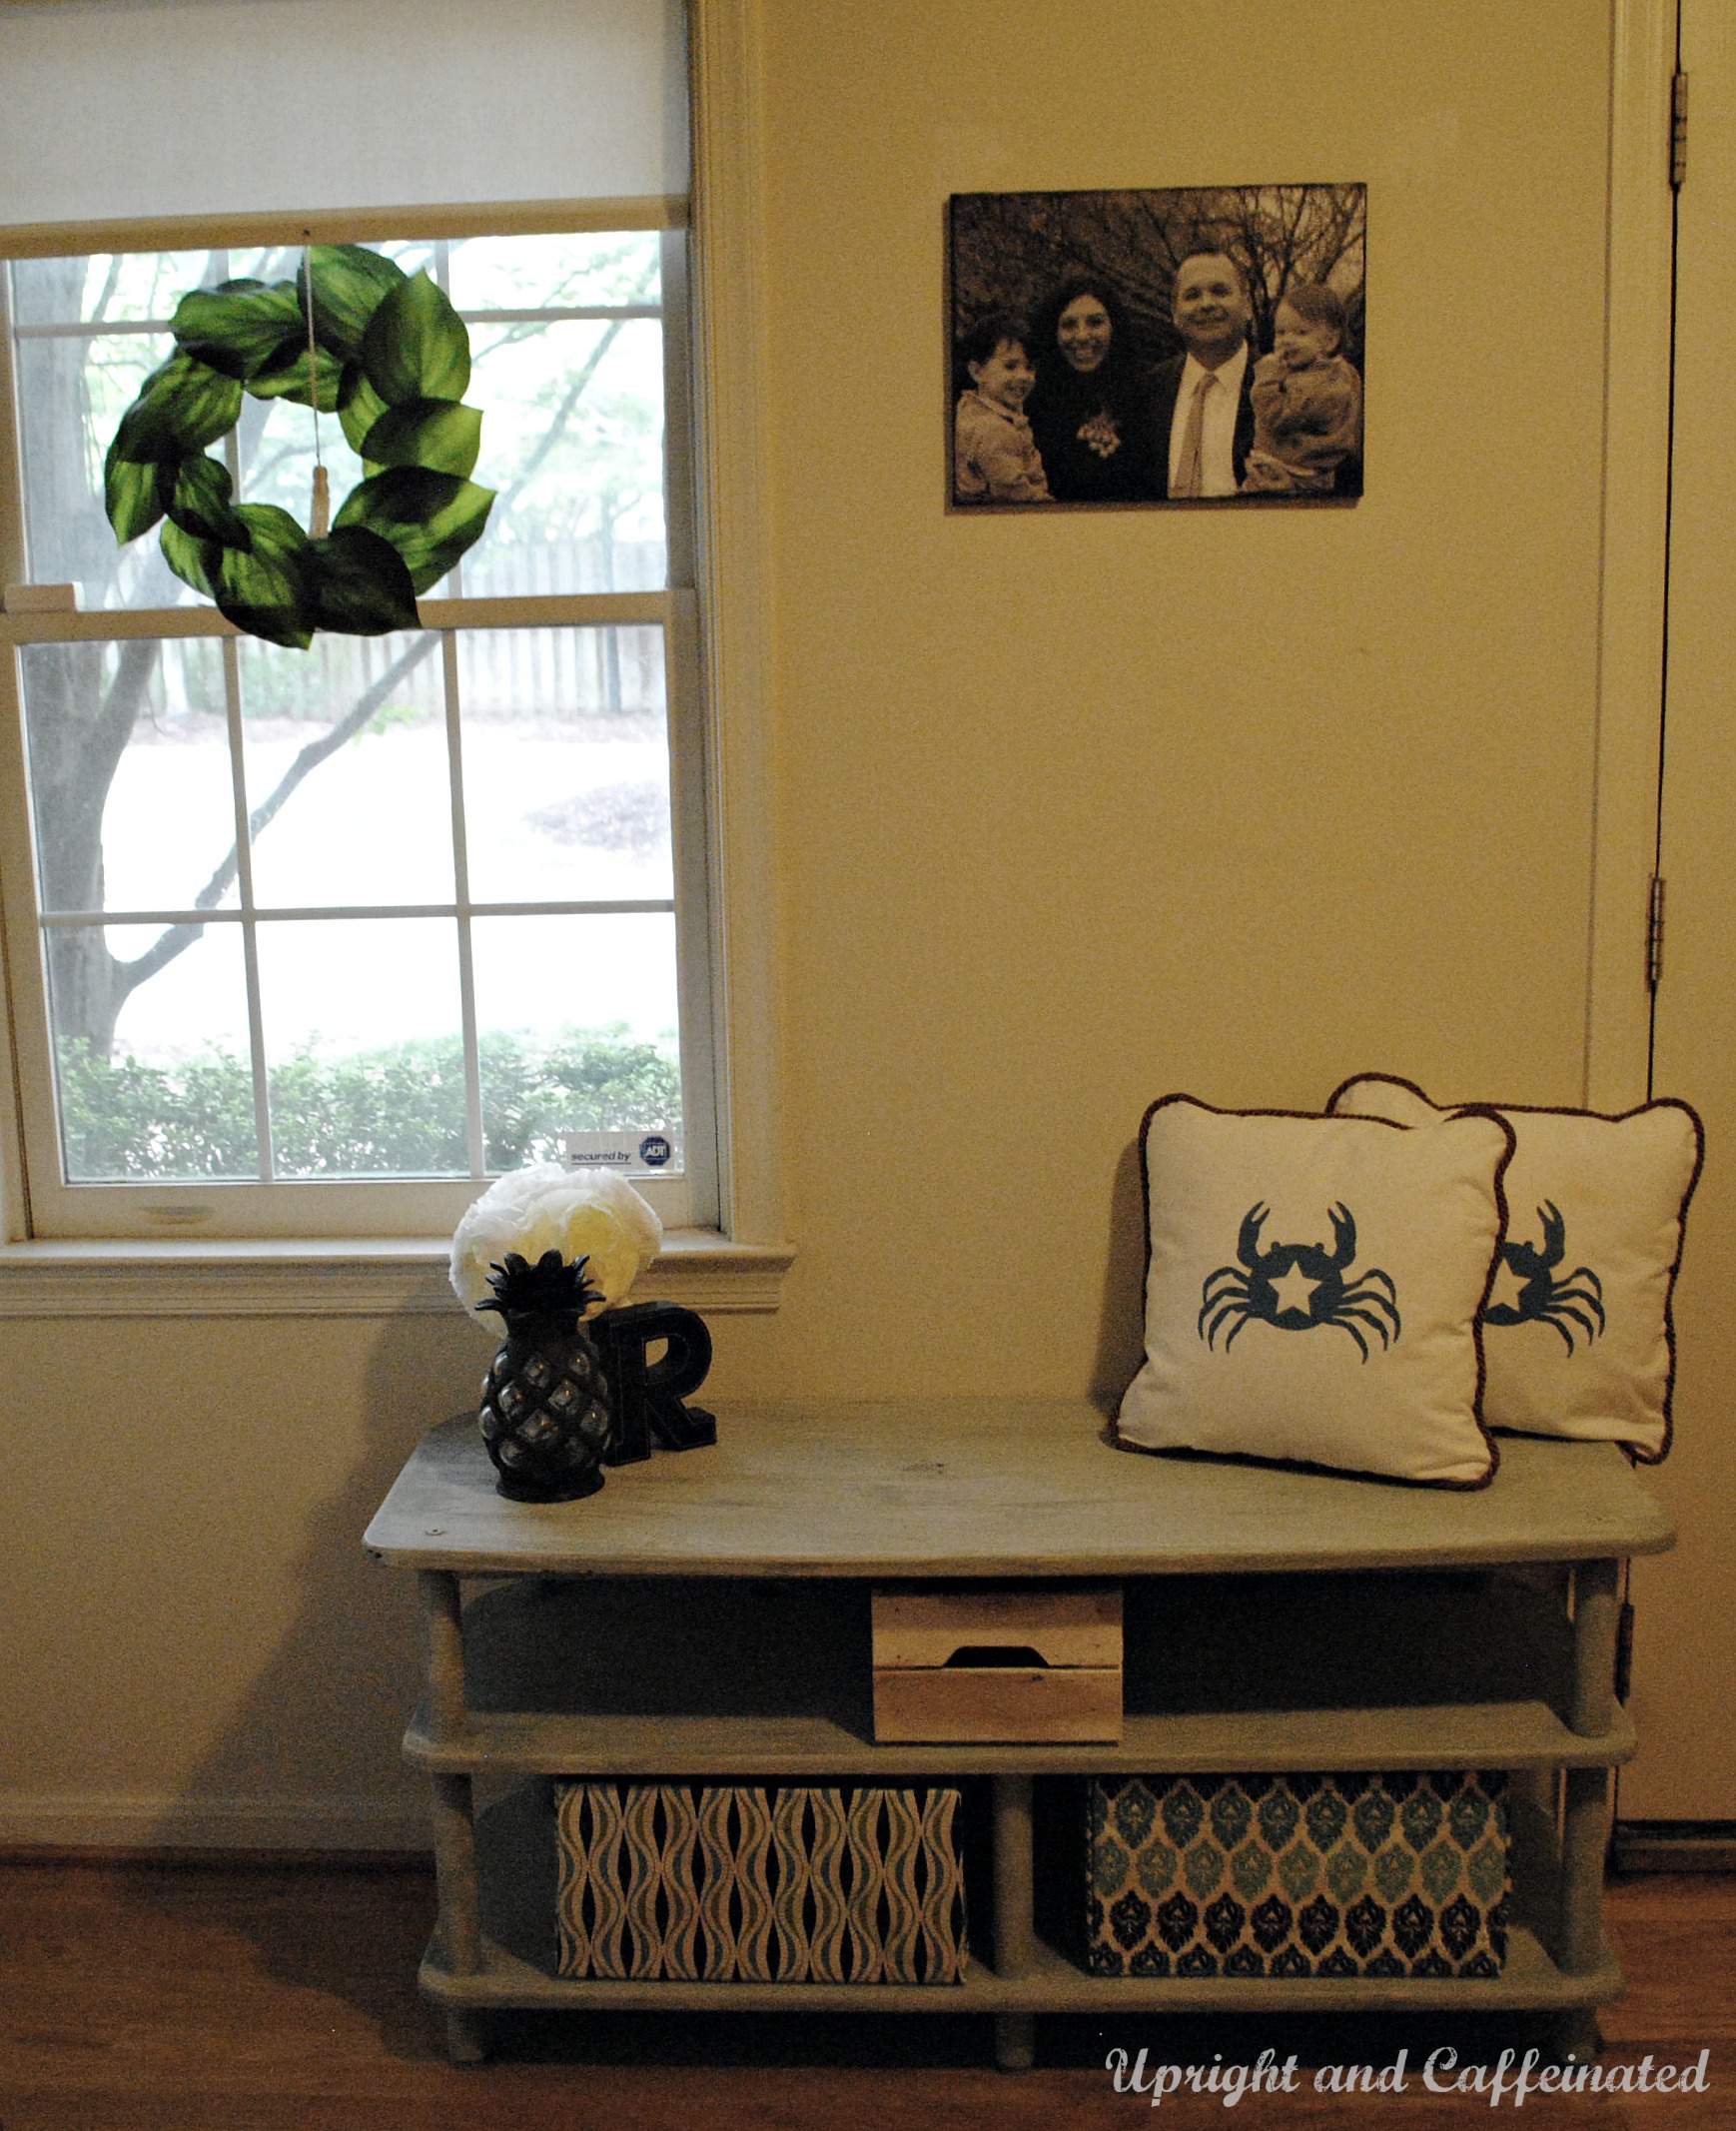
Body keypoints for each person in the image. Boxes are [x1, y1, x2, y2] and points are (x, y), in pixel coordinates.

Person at [1023, 277, 1155, 504]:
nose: (1082, 336)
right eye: (1069, 325)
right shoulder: (1031, 404)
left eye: (1095, 322)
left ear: (1115, 327)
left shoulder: (1148, 394)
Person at [1149, 251, 1258, 499]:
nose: (1206, 304)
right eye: (1192, 295)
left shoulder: (1281, 385)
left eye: (1220, 291)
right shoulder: (1149, 390)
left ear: (1247, 304)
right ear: (1175, 313)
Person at [1241, 283, 1363, 496]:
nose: (1287, 340)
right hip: (1283, 469)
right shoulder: (1307, 372)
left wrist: (1266, 380)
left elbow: (1274, 417)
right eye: (1281, 332)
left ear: (1330, 340)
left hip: (1300, 477)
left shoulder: (1332, 385)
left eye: (1301, 332)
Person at [952, 315, 1052, 504]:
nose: (1023, 376)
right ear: (977, 372)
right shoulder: (993, 430)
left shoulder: (973, 407)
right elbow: (1014, 491)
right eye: (1010, 366)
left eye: (1029, 367)